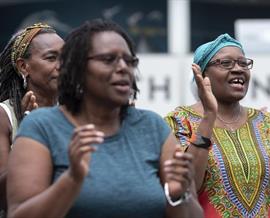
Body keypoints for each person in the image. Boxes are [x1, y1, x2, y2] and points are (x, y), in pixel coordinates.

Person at [6, 19, 203, 218]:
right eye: (109, 59)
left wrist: (177, 195)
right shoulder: (42, 127)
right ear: (77, 67)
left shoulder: (153, 127)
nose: (123, 68)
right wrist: (72, 180)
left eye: (129, 60)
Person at [165, 33, 270, 217]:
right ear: (202, 75)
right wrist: (209, 116)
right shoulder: (179, 120)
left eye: (243, 63)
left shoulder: (265, 122)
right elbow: (187, 187)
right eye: (226, 63)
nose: (238, 69)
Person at [0, 23, 64, 213]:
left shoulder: (74, 114)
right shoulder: (5, 116)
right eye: (51, 58)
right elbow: (3, 197)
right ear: (23, 66)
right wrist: (31, 135)